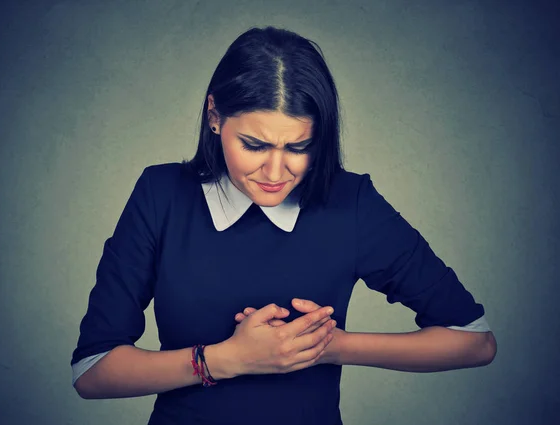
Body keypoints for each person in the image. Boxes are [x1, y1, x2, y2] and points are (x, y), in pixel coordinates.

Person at [70, 26, 497, 424]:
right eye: (254, 145)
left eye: (298, 147)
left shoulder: (352, 204)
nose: (276, 171)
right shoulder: (161, 193)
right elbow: (93, 371)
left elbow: (474, 341)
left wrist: (331, 348)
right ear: (214, 115)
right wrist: (227, 359)